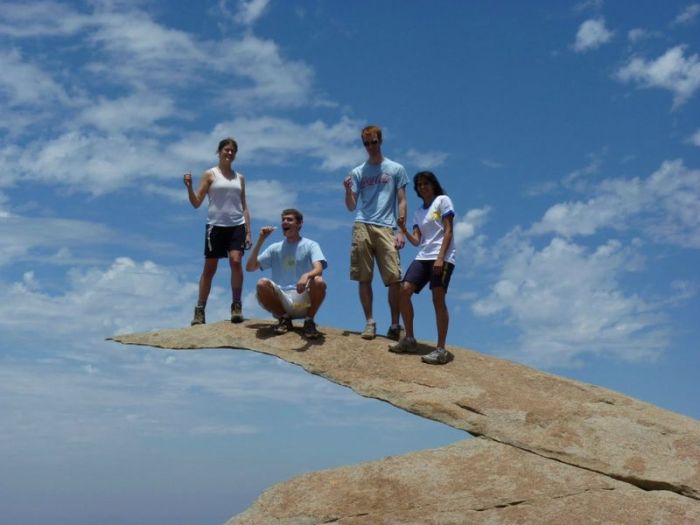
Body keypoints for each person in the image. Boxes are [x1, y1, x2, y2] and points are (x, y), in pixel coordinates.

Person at [344, 124, 408, 341]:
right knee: (364, 276)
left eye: (374, 142)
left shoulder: (396, 169)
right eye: (366, 143)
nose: (370, 147)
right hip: (363, 223)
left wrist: (401, 230)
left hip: (387, 226)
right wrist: (347, 191)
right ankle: (370, 322)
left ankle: (394, 324)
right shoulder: (358, 172)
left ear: (380, 141)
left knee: (394, 278)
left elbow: (402, 200)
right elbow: (351, 206)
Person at [389, 171, 456, 365]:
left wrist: (441, 258)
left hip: (442, 256)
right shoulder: (419, 211)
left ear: (433, 184)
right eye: (419, 185)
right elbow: (417, 241)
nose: (422, 187)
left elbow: (449, 230)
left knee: (438, 297)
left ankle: (441, 348)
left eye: (426, 183)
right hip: (424, 255)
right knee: (404, 290)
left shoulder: (443, 201)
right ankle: (409, 338)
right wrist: (403, 231)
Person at [184, 137, 252, 326]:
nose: (229, 153)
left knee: (236, 261)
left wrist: (248, 231)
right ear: (219, 151)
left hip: (236, 224)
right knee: (210, 269)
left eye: (233, 151)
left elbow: (244, 205)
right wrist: (189, 187)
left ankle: (236, 305)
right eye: (226, 150)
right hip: (215, 226)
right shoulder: (210, 174)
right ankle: (200, 309)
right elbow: (197, 202)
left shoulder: (240, 178)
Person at [245, 209, 327, 339]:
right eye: (283, 219)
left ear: (300, 224)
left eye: (289, 219)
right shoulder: (275, 248)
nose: (285, 222)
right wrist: (261, 239)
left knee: (318, 281)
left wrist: (306, 276)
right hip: (282, 303)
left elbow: (319, 268)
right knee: (261, 283)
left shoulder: (310, 245)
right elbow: (250, 267)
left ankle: (309, 321)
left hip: (303, 303)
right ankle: (284, 319)